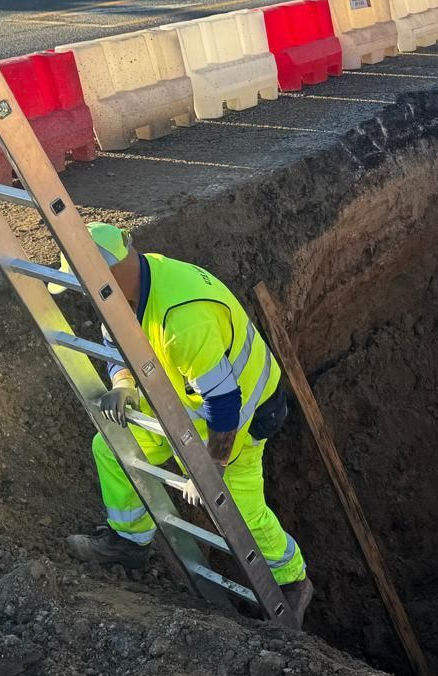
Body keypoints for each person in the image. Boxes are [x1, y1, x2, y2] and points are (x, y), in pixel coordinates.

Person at [59, 223, 312, 619]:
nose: (83, 293)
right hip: (179, 405)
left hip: (242, 416)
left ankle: (292, 581)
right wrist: (124, 383)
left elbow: (225, 402)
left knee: (240, 505)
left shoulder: (183, 318)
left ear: (107, 275)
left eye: (84, 282)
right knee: (112, 446)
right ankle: (130, 541)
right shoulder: (127, 292)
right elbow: (116, 344)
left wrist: (210, 467)